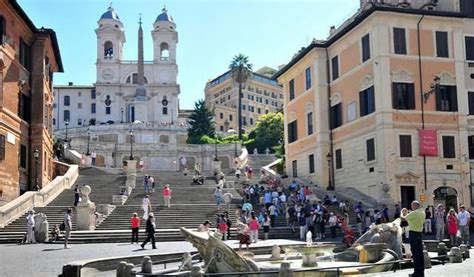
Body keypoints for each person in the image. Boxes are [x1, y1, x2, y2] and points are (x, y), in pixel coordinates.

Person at [401, 201, 425, 277]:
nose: (411, 207)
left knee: (415, 254)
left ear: (415, 205)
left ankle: (417, 272)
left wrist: (401, 212)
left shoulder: (414, 213)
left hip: (413, 234)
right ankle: (421, 272)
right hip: (420, 233)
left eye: (412, 205)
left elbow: (403, 219)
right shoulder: (422, 212)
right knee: (420, 253)